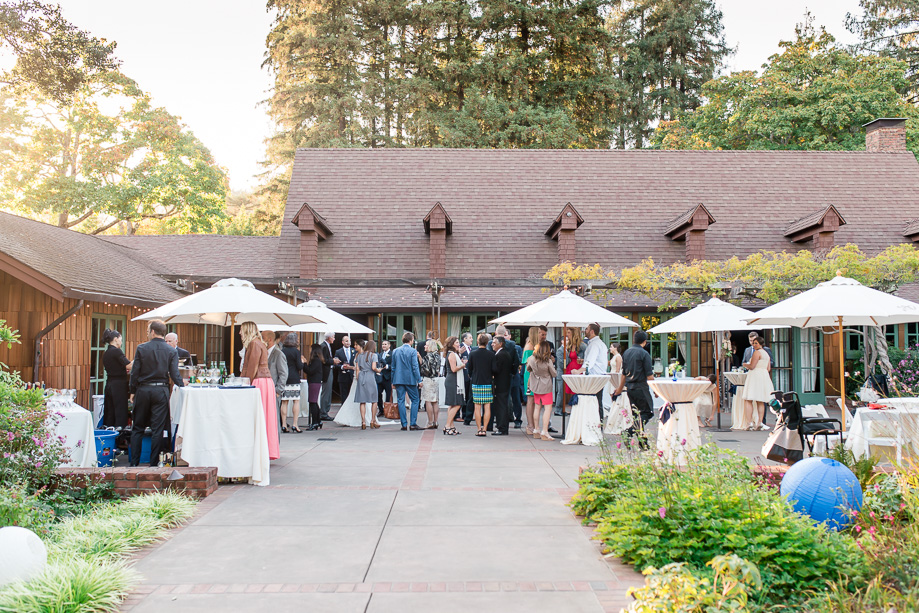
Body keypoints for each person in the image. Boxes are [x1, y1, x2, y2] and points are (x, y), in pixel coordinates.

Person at [128, 320, 184, 467]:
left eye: (148, 331)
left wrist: (132, 391)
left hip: (143, 390)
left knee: (138, 427)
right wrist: (184, 386)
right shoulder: (171, 351)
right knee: (157, 430)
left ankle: (134, 463)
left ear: (153, 332)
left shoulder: (141, 348)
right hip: (161, 390)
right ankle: (153, 464)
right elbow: (174, 374)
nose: (147, 333)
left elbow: (135, 373)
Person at [240, 321, 280, 460]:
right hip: (265, 381)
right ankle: (267, 449)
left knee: (258, 416)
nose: (239, 333)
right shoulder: (258, 343)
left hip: (259, 381)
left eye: (241, 330)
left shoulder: (254, 344)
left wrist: (244, 383)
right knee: (266, 416)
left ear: (247, 331)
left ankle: (260, 450)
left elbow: (252, 367)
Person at [614, 330, 655, 450]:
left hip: (630, 389)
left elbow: (624, 374)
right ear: (645, 341)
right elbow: (649, 376)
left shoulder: (626, 353)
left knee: (638, 416)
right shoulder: (644, 354)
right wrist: (656, 391)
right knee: (647, 413)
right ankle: (628, 432)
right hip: (641, 388)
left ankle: (643, 443)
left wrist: (620, 389)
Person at [101, 328, 132, 447]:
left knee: (110, 412)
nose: (121, 342)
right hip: (119, 385)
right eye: (121, 339)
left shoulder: (106, 353)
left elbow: (116, 367)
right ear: (115, 339)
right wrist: (139, 359)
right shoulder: (117, 352)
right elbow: (128, 365)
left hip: (109, 384)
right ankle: (120, 440)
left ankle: (109, 440)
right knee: (120, 412)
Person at [742, 332, 774, 431]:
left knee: (748, 399)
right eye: (753, 343)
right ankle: (760, 422)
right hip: (763, 376)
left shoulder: (757, 352)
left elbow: (752, 366)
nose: (754, 345)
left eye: (756, 343)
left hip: (755, 376)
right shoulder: (766, 354)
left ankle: (749, 423)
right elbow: (768, 368)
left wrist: (745, 365)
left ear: (760, 344)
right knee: (760, 400)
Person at [392, 332, 423, 431]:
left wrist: (393, 381)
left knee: (400, 400)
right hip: (410, 379)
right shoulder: (413, 351)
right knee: (415, 400)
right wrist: (419, 379)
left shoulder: (395, 351)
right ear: (411, 340)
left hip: (398, 379)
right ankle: (413, 423)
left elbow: (393, 367)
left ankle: (404, 424)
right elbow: (415, 366)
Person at [527, 340, 557, 441]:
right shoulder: (547, 361)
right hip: (546, 386)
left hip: (536, 385)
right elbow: (554, 374)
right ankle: (545, 431)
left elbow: (528, 369)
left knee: (537, 407)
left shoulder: (531, 359)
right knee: (547, 409)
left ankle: (536, 429)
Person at [468, 333, 496, 437]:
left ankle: (479, 428)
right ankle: (485, 428)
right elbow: (494, 369)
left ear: (478, 342)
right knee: (487, 406)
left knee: (477, 407)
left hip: (476, 382)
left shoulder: (472, 354)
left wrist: (472, 376)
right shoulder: (491, 354)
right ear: (487, 342)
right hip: (487, 382)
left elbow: (469, 368)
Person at [264, 331, 289, 436]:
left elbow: (283, 374)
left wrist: (278, 391)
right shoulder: (263, 352)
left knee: (274, 419)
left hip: (274, 391)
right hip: (265, 391)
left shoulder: (278, 354)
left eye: (262, 337)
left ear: (269, 339)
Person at [583, 322, 609, 421]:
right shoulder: (599, 343)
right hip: (599, 375)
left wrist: (579, 370)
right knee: (598, 401)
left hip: (595, 377)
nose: (585, 331)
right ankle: (598, 424)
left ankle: (596, 424)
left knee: (595, 401)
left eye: (587, 329)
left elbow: (589, 362)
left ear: (592, 331)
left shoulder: (594, 345)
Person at [353, 339, 381, 430]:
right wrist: (378, 370)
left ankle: (363, 421)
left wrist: (358, 378)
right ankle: (372, 420)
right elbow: (373, 367)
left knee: (362, 401)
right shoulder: (374, 355)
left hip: (361, 376)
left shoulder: (359, 355)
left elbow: (357, 369)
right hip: (370, 376)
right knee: (374, 400)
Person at [279, 332, 303, 433]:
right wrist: (302, 362)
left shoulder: (282, 351)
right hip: (294, 378)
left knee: (284, 402)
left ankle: (284, 424)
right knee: (296, 401)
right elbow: (299, 366)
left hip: (284, 379)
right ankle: (295, 424)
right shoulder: (296, 352)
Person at [442, 336, 465, 435]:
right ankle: (447, 425)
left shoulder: (453, 354)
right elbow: (454, 369)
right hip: (453, 381)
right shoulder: (451, 355)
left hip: (453, 380)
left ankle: (451, 426)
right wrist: (463, 365)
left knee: (452, 404)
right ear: (451, 344)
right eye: (456, 342)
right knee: (457, 403)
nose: (458, 344)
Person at [491, 336, 514, 436]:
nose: (492, 344)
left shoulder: (501, 355)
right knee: (502, 405)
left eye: (494, 342)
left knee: (501, 406)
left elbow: (497, 370)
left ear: (500, 344)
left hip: (501, 384)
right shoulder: (503, 353)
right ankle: (502, 427)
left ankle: (502, 428)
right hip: (504, 383)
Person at [420, 339, 441, 429]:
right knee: (435, 401)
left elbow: (425, 370)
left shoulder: (427, 357)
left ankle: (430, 422)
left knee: (428, 401)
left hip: (428, 379)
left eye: (426, 345)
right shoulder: (437, 356)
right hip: (436, 379)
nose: (425, 346)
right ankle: (436, 422)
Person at [521, 327, 539, 435]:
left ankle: (533, 424)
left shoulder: (532, 345)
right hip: (530, 375)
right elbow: (527, 363)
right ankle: (530, 425)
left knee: (533, 399)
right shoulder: (529, 346)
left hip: (533, 375)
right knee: (530, 399)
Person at [304, 343, 325, 430]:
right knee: (314, 402)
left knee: (312, 402)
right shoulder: (317, 360)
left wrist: (304, 364)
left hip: (314, 382)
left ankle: (315, 422)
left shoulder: (316, 360)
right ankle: (318, 421)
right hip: (315, 382)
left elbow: (310, 371)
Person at [334, 335, 356, 404]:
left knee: (352, 394)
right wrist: (342, 367)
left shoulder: (354, 351)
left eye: (349, 341)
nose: (348, 343)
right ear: (342, 342)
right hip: (343, 376)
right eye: (346, 341)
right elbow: (335, 364)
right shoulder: (338, 352)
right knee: (344, 394)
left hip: (352, 375)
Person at [319, 332, 335, 421]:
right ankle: (323, 412)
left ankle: (325, 411)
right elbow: (324, 360)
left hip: (329, 370)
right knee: (326, 392)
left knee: (328, 392)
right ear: (328, 337)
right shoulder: (323, 346)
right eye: (333, 337)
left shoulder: (326, 345)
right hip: (326, 372)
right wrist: (333, 361)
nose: (334, 339)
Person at [460, 332, 474, 425]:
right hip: (462, 374)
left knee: (469, 395)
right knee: (463, 395)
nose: (472, 339)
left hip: (469, 374)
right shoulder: (461, 348)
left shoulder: (471, 349)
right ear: (464, 339)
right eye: (470, 337)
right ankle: (463, 414)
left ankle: (467, 415)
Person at [377, 340, 393, 418]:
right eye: (383, 344)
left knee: (388, 394)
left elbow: (394, 365)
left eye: (385, 344)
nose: (384, 345)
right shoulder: (380, 354)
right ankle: (381, 410)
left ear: (389, 345)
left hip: (388, 377)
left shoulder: (392, 354)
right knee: (378, 393)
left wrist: (387, 366)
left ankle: (388, 410)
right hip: (380, 377)